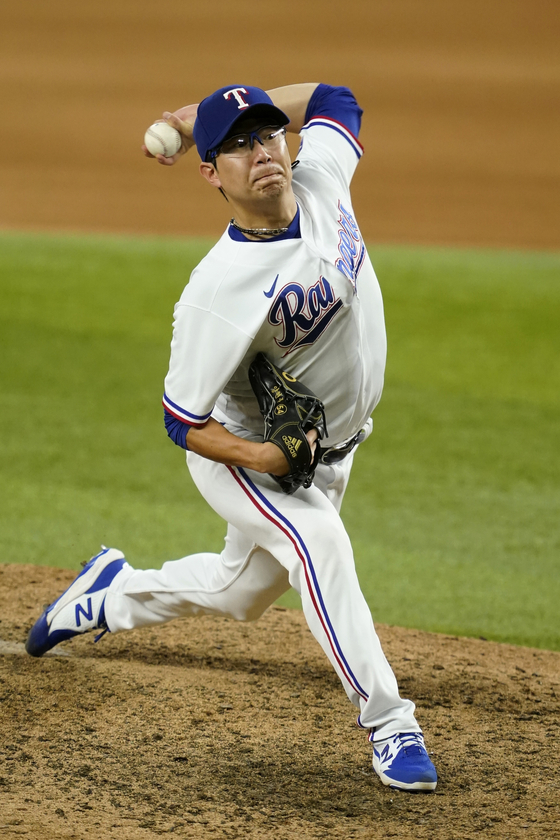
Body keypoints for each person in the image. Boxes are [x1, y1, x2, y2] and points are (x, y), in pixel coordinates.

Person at [26, 82, 437, 792]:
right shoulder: (217, 292)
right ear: (211, 173)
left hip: (328, 454)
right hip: (246, 458)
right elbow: (181, 420)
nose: (263, 152)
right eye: (238, 145)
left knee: (241, 591)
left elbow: (335, 97)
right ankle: (390, 722)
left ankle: (107, 595)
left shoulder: (322, 178)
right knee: (320, 547)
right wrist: (263, 456)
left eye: (270, 134)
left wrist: (194, 117)